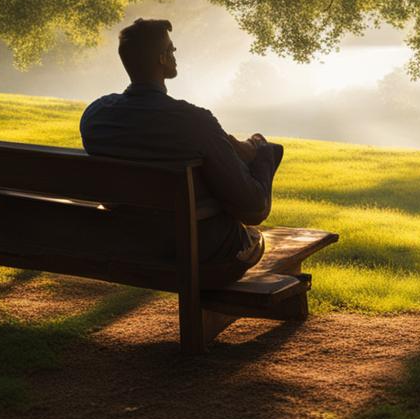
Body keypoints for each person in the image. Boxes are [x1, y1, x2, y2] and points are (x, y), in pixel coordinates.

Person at [79, 18, 282, 285]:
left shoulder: (96, 115)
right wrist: (264, 153)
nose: (175, 55)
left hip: (126, 240)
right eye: (172, 50)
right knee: (252, 224)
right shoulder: (194, 121)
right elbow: (253, 209)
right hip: (200, 252)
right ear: (163, 58)